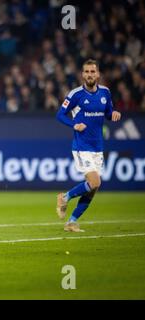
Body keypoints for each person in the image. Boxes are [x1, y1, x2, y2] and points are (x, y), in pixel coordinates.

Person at [56, 59, 121, 232]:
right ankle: (65, 197)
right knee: (94, 181)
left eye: (93, 72)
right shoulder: (76, 94)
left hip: (97, 147)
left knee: (94, 187)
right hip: (81, 146)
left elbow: (108, 112)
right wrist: (73, 125)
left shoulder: (105, 92)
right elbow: (60, 114)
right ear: (82, 74)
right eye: (86, 72)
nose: (90, 75)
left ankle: (71, 221)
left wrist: (113, 113)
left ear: (98, 74)